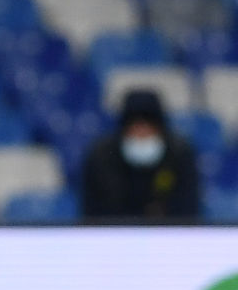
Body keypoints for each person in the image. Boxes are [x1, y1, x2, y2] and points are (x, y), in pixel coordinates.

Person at [82, 88, 201, 221]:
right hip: (114, 236)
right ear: (124, 129)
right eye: (135, 126)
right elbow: (92, 214)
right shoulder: (102, 158)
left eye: (148, 126)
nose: (142, 134)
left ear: (160, 128)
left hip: (168, 237)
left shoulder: (179, 155)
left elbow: (189, 211)